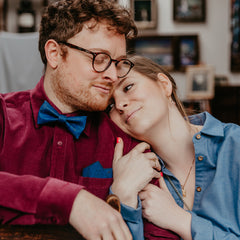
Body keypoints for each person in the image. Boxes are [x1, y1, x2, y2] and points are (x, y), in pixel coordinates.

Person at [0, 1, 141, 239]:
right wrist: (71, 200)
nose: (113, 75)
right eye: (100, 58)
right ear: (54, 54)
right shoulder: (3, 115)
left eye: (118, 63)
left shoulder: (124, 137)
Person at [108, 55, 240, 239]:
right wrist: (122, 195)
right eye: (111, 105)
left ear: (164, 85)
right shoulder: (134, 177)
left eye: (128, 87)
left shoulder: (235, 144)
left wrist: (180, 221)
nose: (120, 105)